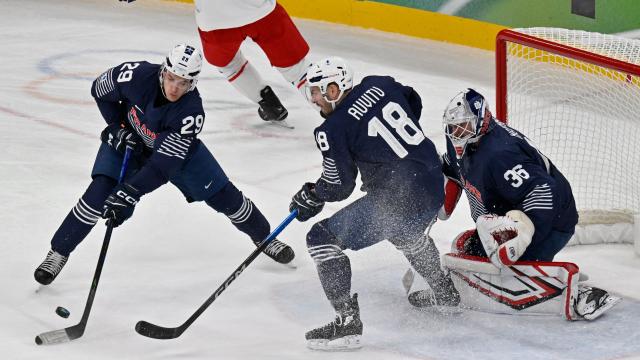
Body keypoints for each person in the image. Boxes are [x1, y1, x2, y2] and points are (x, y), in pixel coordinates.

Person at [34, 43, 295, 286]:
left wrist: (131, 192)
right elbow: (99, 90)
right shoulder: (135, 75)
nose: (174, 88)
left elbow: (162, 166)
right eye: (171, 78)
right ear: (163, 70)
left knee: (225, 197)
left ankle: (264, 237)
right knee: (99, 193)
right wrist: (117, 127)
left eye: (183, 83)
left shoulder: (190, 112)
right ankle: (58, 252)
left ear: (193, 82)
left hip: (176, 158)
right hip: (131, 142)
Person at [288, 57, 460, 351]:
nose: (314, 99)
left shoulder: (331, 130)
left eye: (318, 91)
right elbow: (413, 100)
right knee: (405, 231)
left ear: (335, 88)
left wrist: (312, 194)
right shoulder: (379, 83)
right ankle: (444, 291)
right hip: (433, 178)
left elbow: (339, 186)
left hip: (400, 198)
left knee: (321, 239)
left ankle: (346, 323)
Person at [438, 88, 620, 320]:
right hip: (510, 211)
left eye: (462, 126)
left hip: (552, 220)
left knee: (507, 267)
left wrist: (521, 233)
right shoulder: (461, 142)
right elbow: (452, 170)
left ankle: (579, 295)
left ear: (482, 120)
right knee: (465, 247)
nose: (456, 133)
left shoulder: (500, 154)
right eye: (452, 127)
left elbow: (544, 192)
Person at [195, 0, 311, 125]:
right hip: (261, 12)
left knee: (228, 64)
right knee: (297, 69)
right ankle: (332, 106)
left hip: (214, 20)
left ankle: (268, 104)